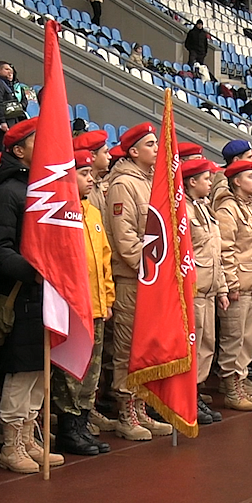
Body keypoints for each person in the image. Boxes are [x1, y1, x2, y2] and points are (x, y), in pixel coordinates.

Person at [0, 118, 68, 471]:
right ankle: (12, 443)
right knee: (21, 369)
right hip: (23, 292)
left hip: (48, 292)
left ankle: (29, 435)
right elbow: (0, 248)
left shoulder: (47, 187)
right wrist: (34, 271)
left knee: (39, 368)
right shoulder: (10, 192)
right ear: (19, 151)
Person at [103, 123, 174, 438]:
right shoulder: (124, 184)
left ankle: (142, 406)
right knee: (128, 344)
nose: (156, 149)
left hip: (152, 278)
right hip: (134, 278)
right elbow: (126, 237)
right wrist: (147, 270)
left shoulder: (151, 182)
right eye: (150, 144)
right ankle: (126, 410)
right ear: (133, 151)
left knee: (146, 344)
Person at [51, 149, 117, 454]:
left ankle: (83, 423)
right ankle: (69, 428)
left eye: (91, 174)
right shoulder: (61, 212)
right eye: (84, 174)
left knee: (91, 371)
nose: (91, 180)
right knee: (71, 374)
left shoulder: (92, 212)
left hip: (97, 304)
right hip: (74, 306)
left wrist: (108, 296)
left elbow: (104, 259)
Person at [215, 159, 252, 411]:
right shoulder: (228, 209)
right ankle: (230, 388)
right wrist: (232, 283)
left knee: (246, 340)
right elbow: (226, 250)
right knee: (233, 339)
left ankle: (241, 383)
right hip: (239, 285)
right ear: (236, 181)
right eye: (250, 176)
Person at [183, 159, 229, 423]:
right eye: (206, 179)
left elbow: (215, 254)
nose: (210, 184)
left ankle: (196, 392)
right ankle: (188, 395)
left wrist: (221, 288)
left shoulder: (204, 208)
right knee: (194, 345)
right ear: (192, 181)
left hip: (209, 289)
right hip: (194, 289)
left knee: (206, 346)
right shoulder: (185, 213)